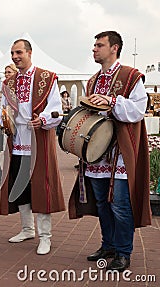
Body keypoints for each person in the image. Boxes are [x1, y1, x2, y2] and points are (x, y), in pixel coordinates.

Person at [68, 31, 151, 272]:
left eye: (99, 45)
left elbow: (138, 110)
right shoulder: (92, 80)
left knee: (120, 206)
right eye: (94, 45)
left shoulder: (131, 76)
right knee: (102, 203)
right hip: (96, 151)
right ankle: (109, 245)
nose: (94, 49)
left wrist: (112, 102)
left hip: (119, 152)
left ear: (114, 48)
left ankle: (124, 252)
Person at [0, 39, 65, 255]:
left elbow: (56, 109)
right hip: (17, 140)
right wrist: (3, 119)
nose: (15, 56)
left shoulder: (46, 78)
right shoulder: (8, 83)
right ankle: (27, 229)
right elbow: (3, 110)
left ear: (29, 52)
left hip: (38, 139)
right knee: (20, 187)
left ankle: (45, 236)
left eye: (19, 52)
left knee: (42, 186)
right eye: (12, 53)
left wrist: (43, 120)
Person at [0, 64, 18, 187]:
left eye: (9, 72)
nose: (7, 74)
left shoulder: (19, 87)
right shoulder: (4, 88)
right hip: (3, 123)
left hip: (15, 125)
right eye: (5, 72)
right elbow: (2, 106)